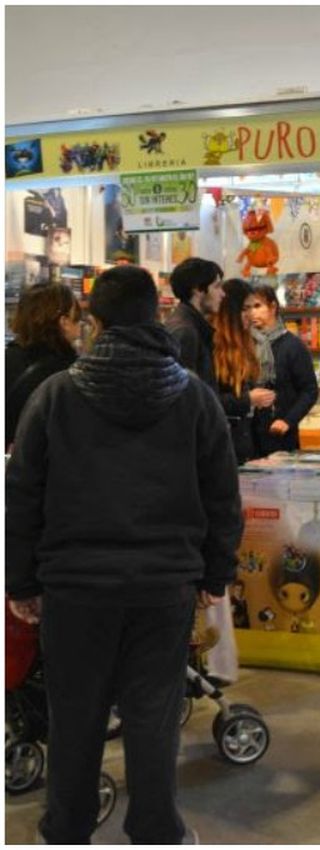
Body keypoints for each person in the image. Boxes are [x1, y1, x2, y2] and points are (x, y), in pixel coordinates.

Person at [7, 265, 242, 844]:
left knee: (75, 716)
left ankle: (66, 830)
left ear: (96, 318)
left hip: (73, 586)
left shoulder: (56, 394)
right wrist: (217, 571)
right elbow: (222, 492)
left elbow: (22, 495)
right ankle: (157, 829)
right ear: (157, 312)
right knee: (154, 714)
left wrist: (20, 582)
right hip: (163, 586)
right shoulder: (193, 395)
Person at [246, 283, 319, 455]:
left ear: (273, 307)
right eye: (248, 307)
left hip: (279, 433)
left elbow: (309, 390)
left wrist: (288, 420)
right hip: (247, 433)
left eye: (258, 306)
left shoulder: (292, 345)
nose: (252, 313)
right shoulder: (243, 344)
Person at [6, 283, 81, 448]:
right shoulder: (72, 372)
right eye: (77, 318)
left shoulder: (7, 359)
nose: (79, 326)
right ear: (64, 322)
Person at [209, 279, 269, 464]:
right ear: (229, 310)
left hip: (244, 447)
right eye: (245, 309)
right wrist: (247, 400)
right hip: (219, 448)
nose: (251, 315)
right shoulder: (210, 344)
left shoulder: (246, 343)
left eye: (253, 307)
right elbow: (206, 401)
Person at [164, 256, 225, 380]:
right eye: (217, 286)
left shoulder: (192, 325)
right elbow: (187, 391)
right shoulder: (185, 331)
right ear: (198, 289)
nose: (223, 294)